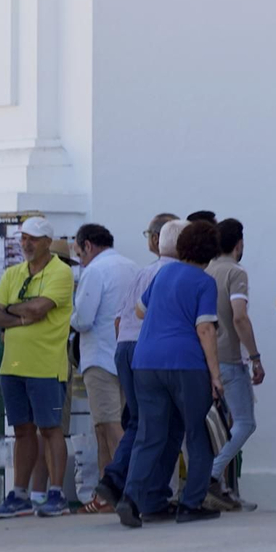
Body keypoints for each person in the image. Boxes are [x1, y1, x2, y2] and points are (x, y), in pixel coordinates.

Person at [116, 221, 225, 527]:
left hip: (146, 360)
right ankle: (191, 503)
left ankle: (132, 498)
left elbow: (140, 310)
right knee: (197, 433)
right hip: (186, 363)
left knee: (150, 434)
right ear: (211, 252)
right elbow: (205, 328)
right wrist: (215, 375)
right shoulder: (204, 282)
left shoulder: (163, 274)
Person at [0, 217, 76, 519]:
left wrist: (9, 311)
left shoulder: (61, 272)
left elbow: (40, 309)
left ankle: (57, 493)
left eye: (33, 239)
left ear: (48, 242)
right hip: (12, 365)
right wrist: (21, 317)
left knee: (51, 430)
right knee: (21, 430)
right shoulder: (14, 273)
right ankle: (20, 494)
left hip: (46, 365)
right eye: (23, 238)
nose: (26, 244)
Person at [96, 213, 179, 505]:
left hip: (126, 347)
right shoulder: (173, 274)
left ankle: (119, 480)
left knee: (137, 420)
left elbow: (120, 320)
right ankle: (133, 487)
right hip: (150, 351)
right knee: (154, 424)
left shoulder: (142, 273)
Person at [70, 223, 139, 481]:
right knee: (104, 427)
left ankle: (130, 485)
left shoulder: (95, 270)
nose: (80, 259)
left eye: (79, 253)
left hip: (100, 359)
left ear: (88, 245)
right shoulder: (133, 267)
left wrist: (70, 316)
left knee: (110, 426)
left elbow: (84, 319)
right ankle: (107, 491)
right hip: (128, 356)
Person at [206, 217, 266, 495]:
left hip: (206, 358)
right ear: (239, 244)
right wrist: (255, 356)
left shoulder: (206, 271)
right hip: (230, 357)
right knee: (244, 423)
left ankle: (216, 482)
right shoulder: (236, 273)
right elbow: (240, 317)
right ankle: (213, 474)